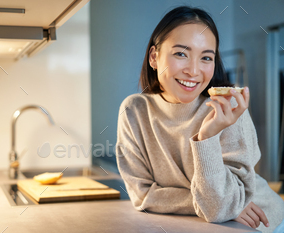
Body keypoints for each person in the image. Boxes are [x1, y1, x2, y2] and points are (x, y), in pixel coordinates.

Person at [116, 5, 284, 233]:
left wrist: (207, 137)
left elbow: (220, 208)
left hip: (259, 222)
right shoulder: (134, 111)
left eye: (206, 57)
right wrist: (218, 205)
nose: (194, 71)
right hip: (204, 222)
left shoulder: (229, 107)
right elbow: (142, 195)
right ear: (154, 57)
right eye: (181, 54)